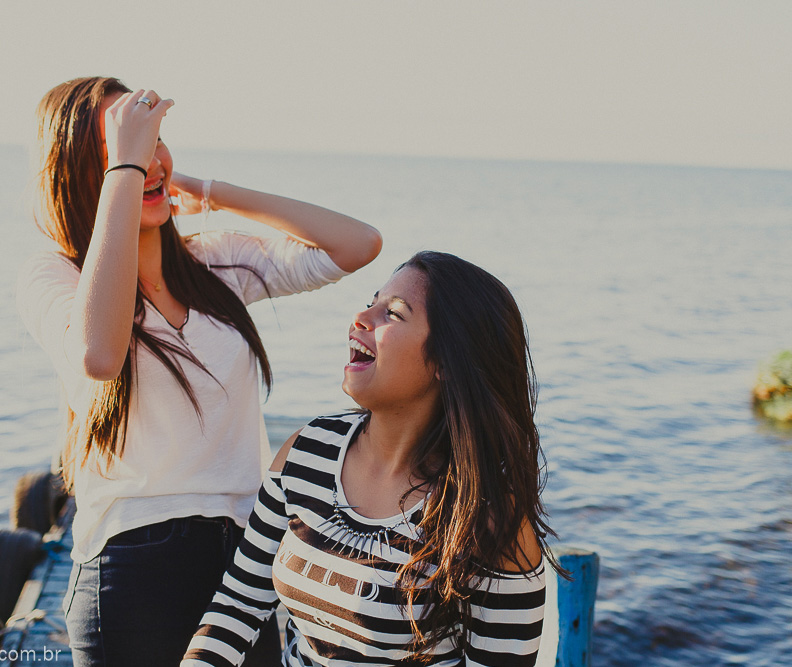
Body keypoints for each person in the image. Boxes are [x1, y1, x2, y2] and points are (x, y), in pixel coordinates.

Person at [16, 76, 382, 667]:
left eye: (154, 139)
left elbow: (357, 244)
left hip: (243, 563)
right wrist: (128, 171)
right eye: (122, 145)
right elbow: (99, 356)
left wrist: (208, 191)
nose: (149, 158)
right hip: (131, 567)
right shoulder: (55, 275)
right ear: (77, 172)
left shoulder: (214, 262)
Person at [182, 251, 558, 666]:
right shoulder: (308, 450)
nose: (361, 317)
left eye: (393, 313)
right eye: (370, 302)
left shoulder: (486, 515)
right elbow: (239, 603)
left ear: (446, 361)